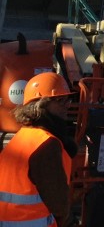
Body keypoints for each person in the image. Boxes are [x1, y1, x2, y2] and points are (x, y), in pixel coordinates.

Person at [0, 71, 77, 227]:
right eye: (59, 101)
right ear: (40, 105)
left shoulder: (23, 136)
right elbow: (59, 205)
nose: (66, 106)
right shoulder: (47, 144)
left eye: (67, 100)